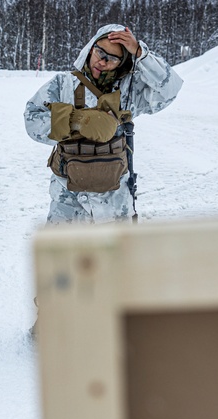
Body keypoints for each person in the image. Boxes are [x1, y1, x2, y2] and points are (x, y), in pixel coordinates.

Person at [24, 25, 183, 336]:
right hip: (68, 195)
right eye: (100, 52)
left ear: (122, 63)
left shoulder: (131, 91)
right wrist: (75, 121)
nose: (102, 61)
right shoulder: (62, 84)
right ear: (90, 47)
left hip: (115, 196)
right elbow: (31, 120)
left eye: (112, 58)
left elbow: (170, 89)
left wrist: (141, 52)